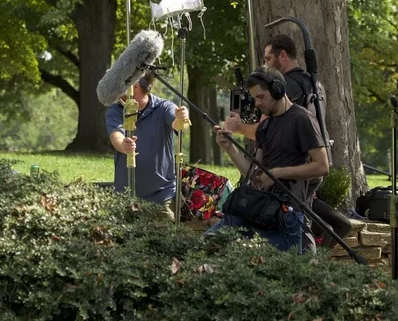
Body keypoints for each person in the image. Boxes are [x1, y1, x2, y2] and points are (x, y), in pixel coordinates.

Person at [210, 67, 329, 251]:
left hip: (288, 215)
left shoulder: (302, 119)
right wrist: (230, 149)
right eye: (254, 98)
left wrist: (278, 173)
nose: (257, 103)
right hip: (259, 210)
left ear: (278, 89)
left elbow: (322, 166)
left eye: (261, 97)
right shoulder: (265, 126)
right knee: (207, 245)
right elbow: (255, 175)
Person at [106, 71, 190, 204]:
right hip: (124, 197)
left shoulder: (164, 107)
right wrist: (123, 145)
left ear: (135, 87)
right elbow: (115, 134)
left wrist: (182, 118)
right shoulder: (116, 109)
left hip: (161, 196)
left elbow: (178, 125)